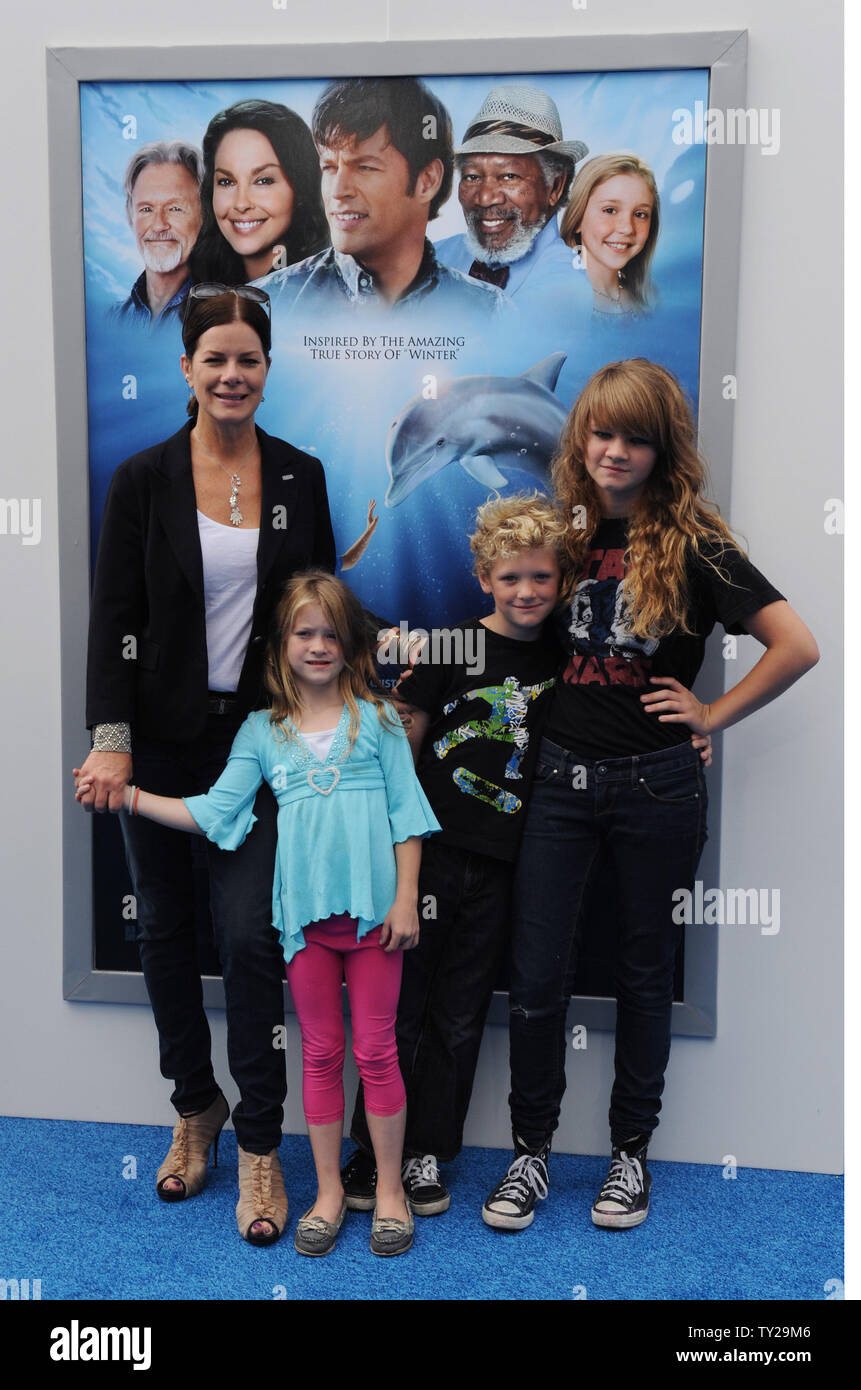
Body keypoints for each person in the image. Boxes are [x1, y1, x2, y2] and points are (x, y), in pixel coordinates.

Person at [481, 357, 819, 1233]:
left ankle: (629, 1155)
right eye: (602, 432)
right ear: (579, 437)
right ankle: (529, 1154)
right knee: (537, 973)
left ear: (663, 447)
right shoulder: (555, 531)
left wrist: (710, 713)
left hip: (657, 789)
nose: (616, 450)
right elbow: (507, 638)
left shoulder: (696, 541)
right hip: (556, 782)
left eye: (636, 437)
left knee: (642, 974)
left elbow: (795, 645)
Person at [74, 286, 336, 1246]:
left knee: (252, 937)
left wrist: (329, 727)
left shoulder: (301, 478)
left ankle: (261, 1145)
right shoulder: (142, 480)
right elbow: (114, 621)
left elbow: (319, 616)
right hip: (159, 742)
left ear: (268, 370)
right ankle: (196, 1107)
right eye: (215, 359)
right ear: (186, 369)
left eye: (249, 360)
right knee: (165, 933)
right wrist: (111, 739)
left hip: (262, 743)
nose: (233, 375)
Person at [79, 572, 441, 1259]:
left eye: (332, 632)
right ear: (280, 645)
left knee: (376, 1051)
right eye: (304, 632)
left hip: (374, 925)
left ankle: (389, 1190)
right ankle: (329, 1191)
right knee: (322, 1052)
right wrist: (129, 799)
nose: (318, 645)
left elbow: (408, 818)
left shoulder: (382, 722)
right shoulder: (260, 731)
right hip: (304, 926)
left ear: (352, 643)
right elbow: (215, 813)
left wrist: (403, 898)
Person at [342, 493, 566, 1215]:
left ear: (560, 581)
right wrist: (385, 842)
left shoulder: (568, 658)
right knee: (398, 1010)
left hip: (505, 863)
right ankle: (370, 1149)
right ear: (483, 579)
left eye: (540, 578)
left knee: (461, 1014)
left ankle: (428, 1150)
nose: (525, 592)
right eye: (510, 579)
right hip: (427, 855)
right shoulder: (448, 646)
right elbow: (401, 740)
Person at [257, 78, 505, 317]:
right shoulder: (265, 306)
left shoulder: (489, 312)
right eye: (329, 167)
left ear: (427, 180)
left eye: (364, 167)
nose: (337, 190)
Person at [434, 85, 588, 302]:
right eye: (472, 176)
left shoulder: (568, 285)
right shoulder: (435, 255)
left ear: (555, 186)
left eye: (508, 176)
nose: (485, 198)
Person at [191, 99, 329, 285]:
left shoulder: (329, 292)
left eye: (263, 181)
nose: (241, 204)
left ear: (299, 188)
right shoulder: (194, 285)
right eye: (226, 182)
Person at [114, 142, 203, 325]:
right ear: (131, 217)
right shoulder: (113, 319)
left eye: (175, 208)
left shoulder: (225, 316)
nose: (158, 225)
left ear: (205, 217)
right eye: (146, 209)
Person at [561, 154, 660, 317]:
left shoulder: (650, 301)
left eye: (640, 214)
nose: (627, 228)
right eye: (610, 210)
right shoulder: (555, 302)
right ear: (578, 218)